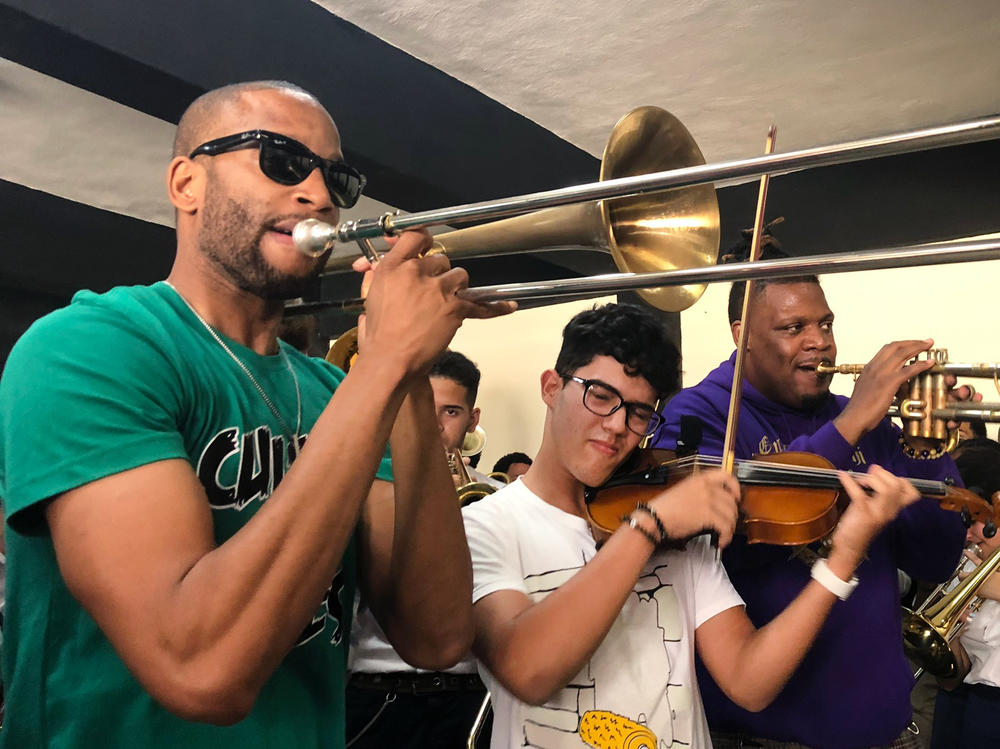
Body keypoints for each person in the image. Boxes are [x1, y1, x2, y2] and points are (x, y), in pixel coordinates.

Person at [0, 80, 510, 747]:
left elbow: (436, 634)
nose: (320, 196)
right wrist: (382, 367)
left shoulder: (339, 392)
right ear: (186, 182)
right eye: (281, 159)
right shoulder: (90, 346)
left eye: (338, 178)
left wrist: (409, 374)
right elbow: (200, 668)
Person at [465, 302, 921, 749]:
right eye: (600, 397)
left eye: (639, 412)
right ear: (550, 387)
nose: (617, 427)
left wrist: (841, 560)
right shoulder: (484, 525)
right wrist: (647, 528)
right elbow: (527, 672)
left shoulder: (677, 530)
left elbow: (749, 681)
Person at [654, 269, 967, 748]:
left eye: (826, 324)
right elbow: (729, 539)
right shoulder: (702, 413)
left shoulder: (862, 419)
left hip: (888, 730)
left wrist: (924, 446)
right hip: (765, 736)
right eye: (793, 328)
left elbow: (935, 560)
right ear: (742, 336)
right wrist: (852, 422)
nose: (819, 342)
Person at [346, 349, 493, 748]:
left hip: (469, 694)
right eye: (422, 406)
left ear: (472, 419)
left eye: (450, 412)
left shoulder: (494, 495)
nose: (432, 424)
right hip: (379, 690)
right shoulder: (366, 484)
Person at [931, 440, 1000, 749]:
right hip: (964, 695)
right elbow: (952, 679)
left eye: (977, 518)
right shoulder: (967, 563)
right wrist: (949, 639)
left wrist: (986, 587)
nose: (969, 533)